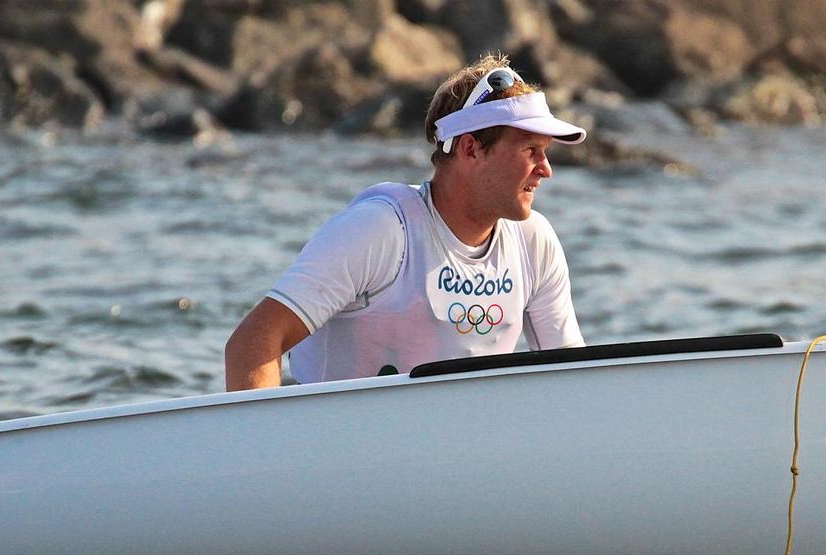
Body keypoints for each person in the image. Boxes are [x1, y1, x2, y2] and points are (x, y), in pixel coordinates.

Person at [225, 55, 588, 390]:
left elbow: (572, 382)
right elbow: (254, 343)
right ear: (470, 149)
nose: (546, 170)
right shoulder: (379, 231)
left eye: (545, 152)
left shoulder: (533, 241)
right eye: (530, 151)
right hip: (339, 444)